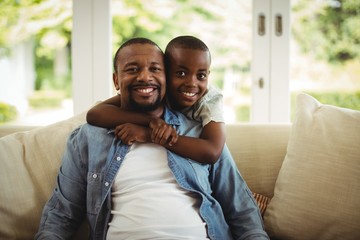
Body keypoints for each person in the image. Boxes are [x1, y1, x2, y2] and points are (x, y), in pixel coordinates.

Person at [35, 37, 269, 239]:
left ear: (165, 77)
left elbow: (242, 210)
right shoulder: (89, 137)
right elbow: (61, 214)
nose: (145, 77)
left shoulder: (198, 132)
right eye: (132, 69)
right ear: (116, 81)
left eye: (155, 69)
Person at [86, 36, 225, 164]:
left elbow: (212, 152)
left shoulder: (209, 100)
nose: (191, 83)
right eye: (181, 73)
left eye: (201, 76)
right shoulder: (157, 90)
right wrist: (151, 121)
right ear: (166, 73)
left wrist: (149, 134)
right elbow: (95, 114)